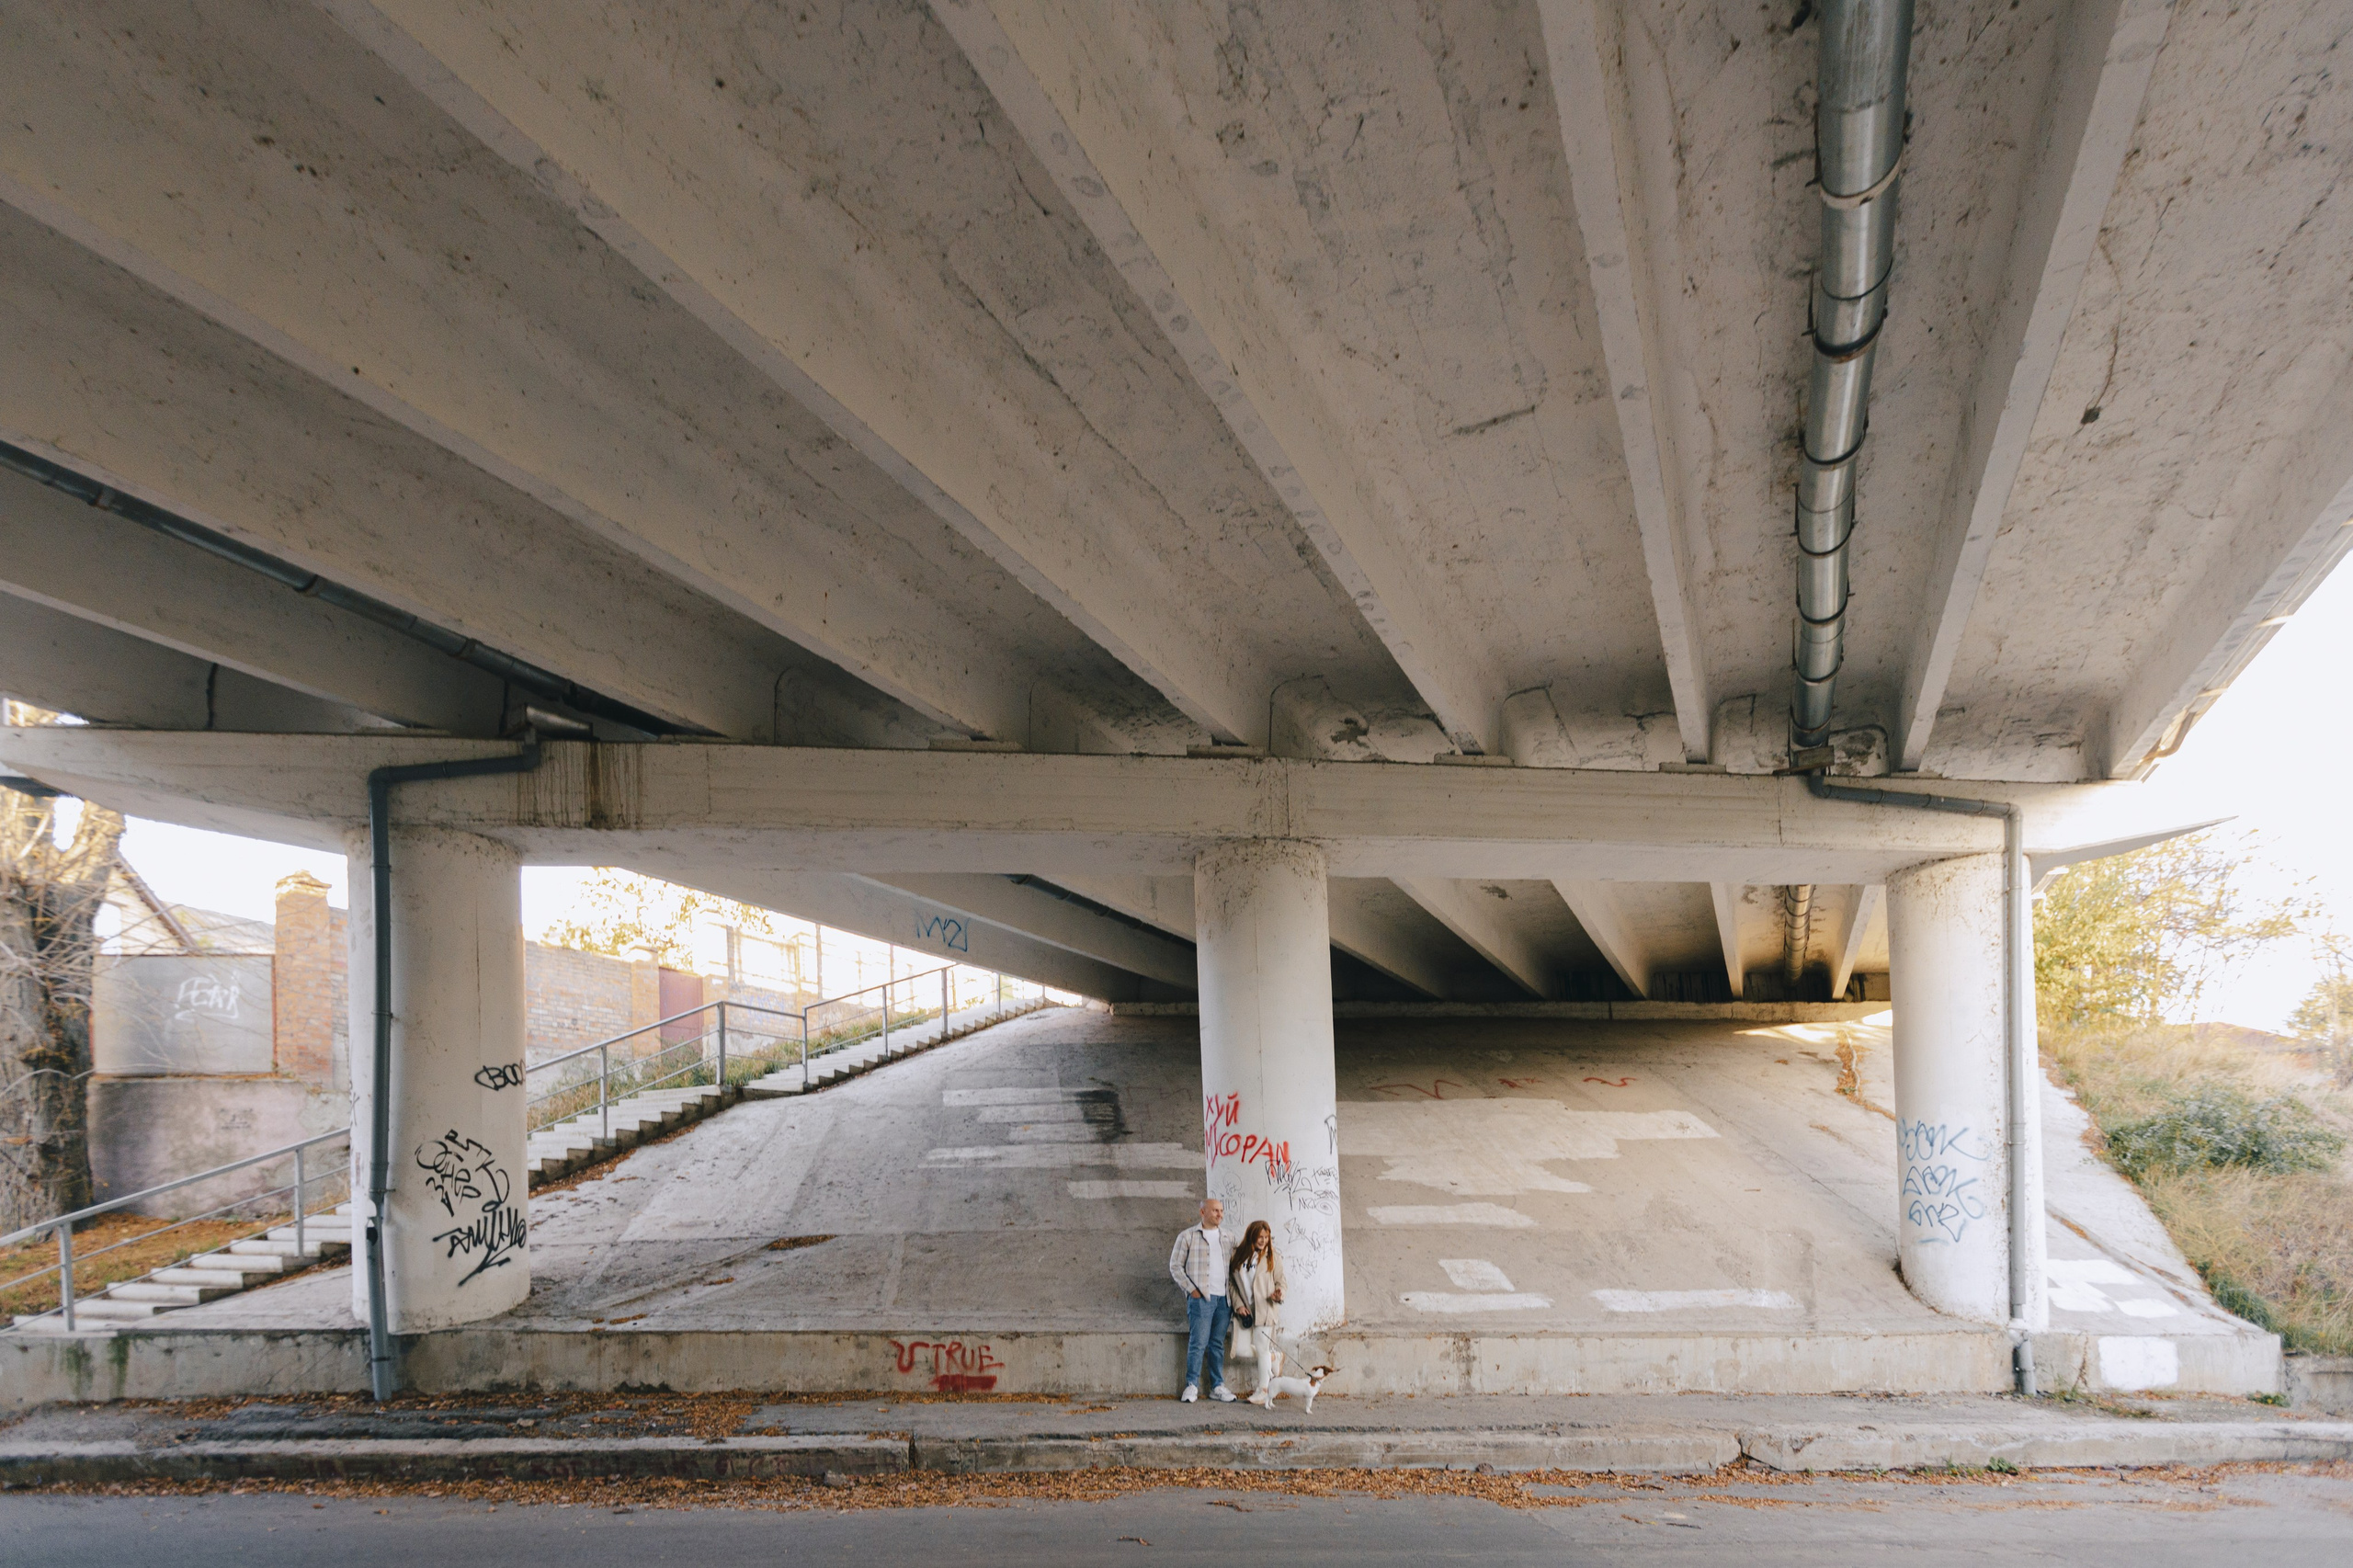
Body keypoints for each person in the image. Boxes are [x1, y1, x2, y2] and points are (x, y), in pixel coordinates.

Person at [1167, 1197, 1236, 1402]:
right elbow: (1175, 1266)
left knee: (1217, 1344)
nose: (1219, 1215)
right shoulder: (1188, 1236)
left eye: (1221, 1211)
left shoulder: (1229, 1237)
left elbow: (1240, 1263)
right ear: (1203, 1212)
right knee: (1198, 1342)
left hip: (1224, 1300)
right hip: (1201, 1299)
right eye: (1215, 1210)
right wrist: (1192, 1290)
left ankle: (1217, 1386)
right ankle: (1191, 1385)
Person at [1226, 1219, 1286, 1397]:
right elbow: (1231, 1283)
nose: (1263, 1241)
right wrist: (1238, 1305)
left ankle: (1263, 1390)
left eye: (1266, 1237)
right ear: (1251, 1235)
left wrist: (1279, 1294)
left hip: (1265, 1307)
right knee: (1240, 1350)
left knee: (1261, 1349)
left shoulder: (1273, 1257)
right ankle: (1275, 1357)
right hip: (1245, 1310)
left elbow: (1281, 1282)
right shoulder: (1237, 1255)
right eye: (1260, 1237)